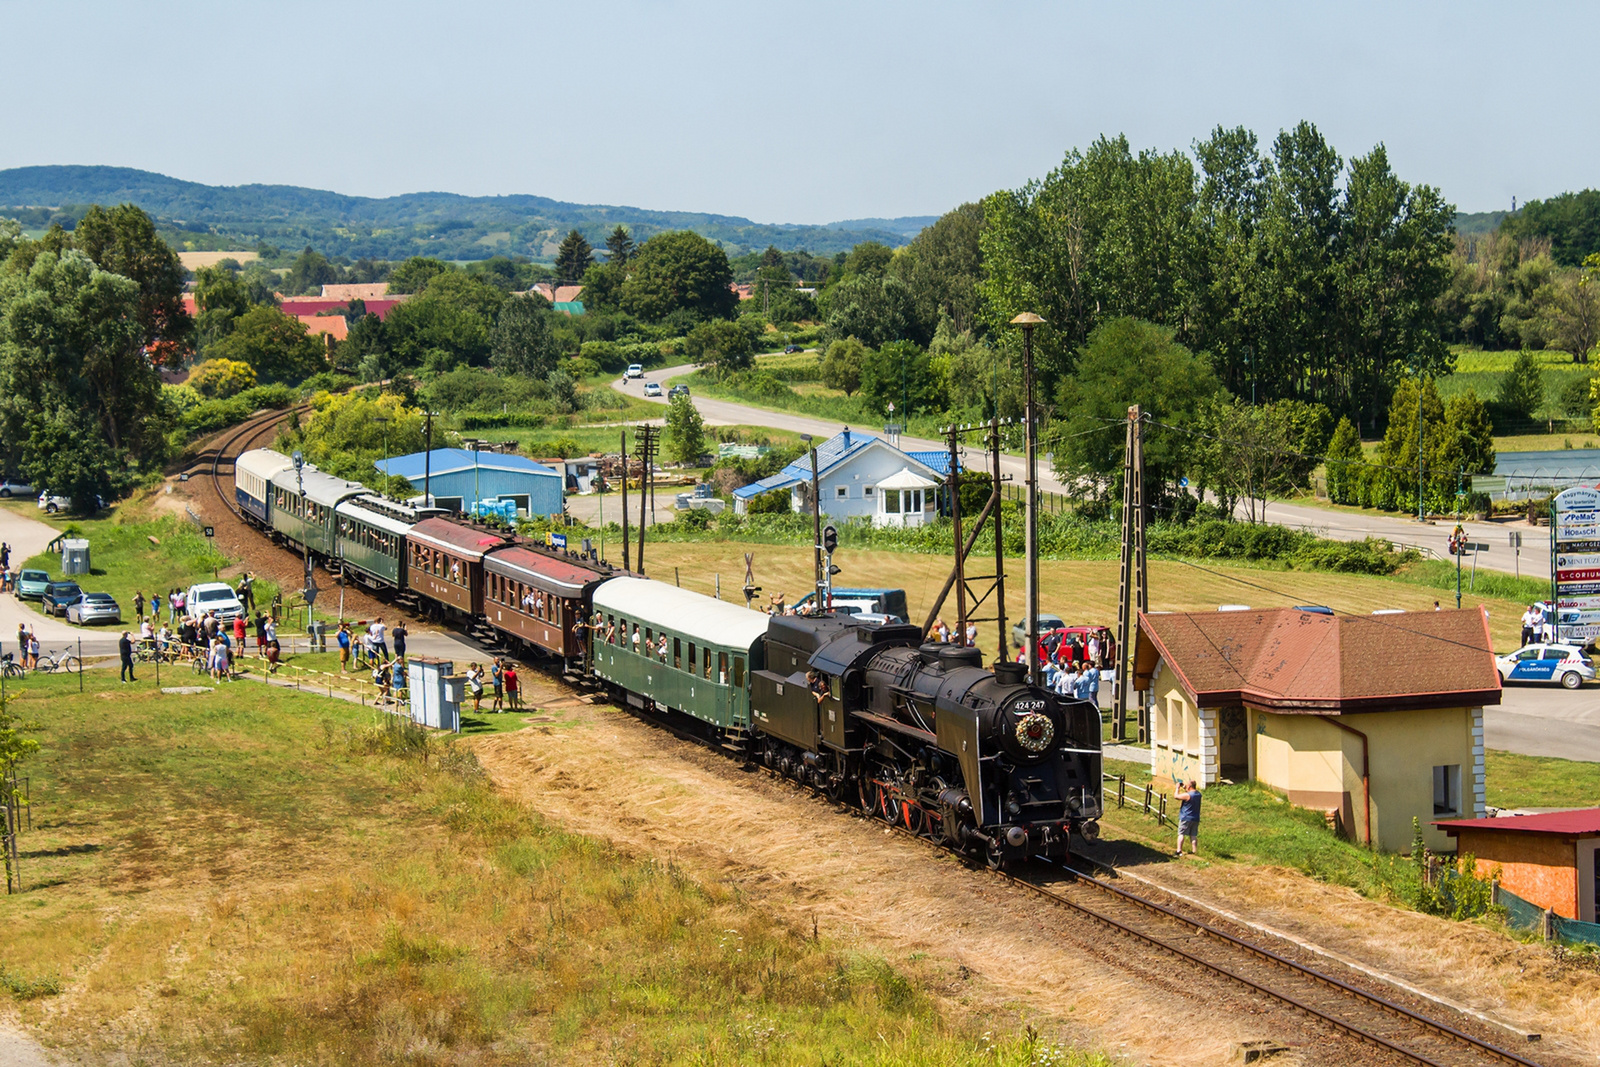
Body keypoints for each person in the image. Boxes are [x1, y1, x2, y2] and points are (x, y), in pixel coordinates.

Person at [1175, 780, 1202, 856]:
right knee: (1193, 835)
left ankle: (1179, 850)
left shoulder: (1187, 795)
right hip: (1195, 818)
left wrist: (1177, 788)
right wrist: (1185, 787)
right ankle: (1194, 851)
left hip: (1186, 817)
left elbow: (1176, 796)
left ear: (1189, 786)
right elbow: (1190, 792)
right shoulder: (1198, 794)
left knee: (1181, 834)